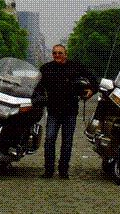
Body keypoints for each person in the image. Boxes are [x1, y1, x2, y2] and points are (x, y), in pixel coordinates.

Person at [36, 45, 93, 179]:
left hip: (70, 111)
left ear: (65, 54)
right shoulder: (46, 68)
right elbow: (37, 86)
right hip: (53, 111)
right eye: (54, 53)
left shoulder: (75, 66)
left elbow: (92, 77)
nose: (57, 55)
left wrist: (92, 90)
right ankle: (49, 170)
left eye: (60, 53)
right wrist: (39, 98)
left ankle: (63, 171)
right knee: (49, 140)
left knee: (67, 142)